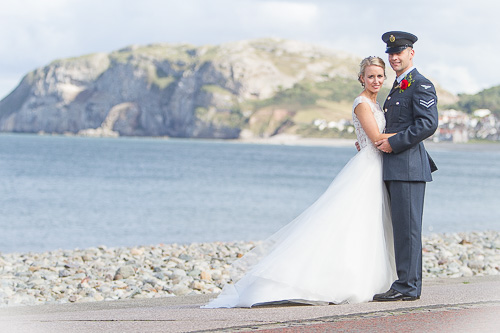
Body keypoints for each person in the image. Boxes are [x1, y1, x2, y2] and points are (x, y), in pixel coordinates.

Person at [203, 56, 397, 308]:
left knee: (366, 225)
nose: (375, 81)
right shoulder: (362, 103)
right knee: (351, 222)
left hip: (373, 166)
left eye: (379, 76)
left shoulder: (376, 104)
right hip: (367, 168)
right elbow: (375, 138)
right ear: (361, 78)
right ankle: (330, 281)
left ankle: (368, 278)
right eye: (370, 76)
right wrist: (414, 131)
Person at [373, 31, 439, 302]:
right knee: (400, 227)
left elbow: (427, 124)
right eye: (390, 53)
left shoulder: (420, 84)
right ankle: (403, 282)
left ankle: (408, 287)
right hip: (394, 165)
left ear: (411, 53)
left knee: (408, 229)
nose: (394, 57)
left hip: (409, 167)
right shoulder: (398, 86)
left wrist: (394, 143)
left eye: (399, 52)